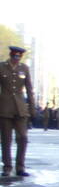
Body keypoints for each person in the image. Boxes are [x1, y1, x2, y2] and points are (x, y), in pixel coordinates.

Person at [0, 44, 35, 176]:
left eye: (18, 57)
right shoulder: (2, 67)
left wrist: (32, 109)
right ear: (11, 56)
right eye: (15, 56)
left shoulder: (24, 68)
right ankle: (7, 167)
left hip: (20, 108)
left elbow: (29, 90)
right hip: (4, 108)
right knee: (6, 139)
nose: (16, 59)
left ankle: (20, 167)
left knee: (23, 137)